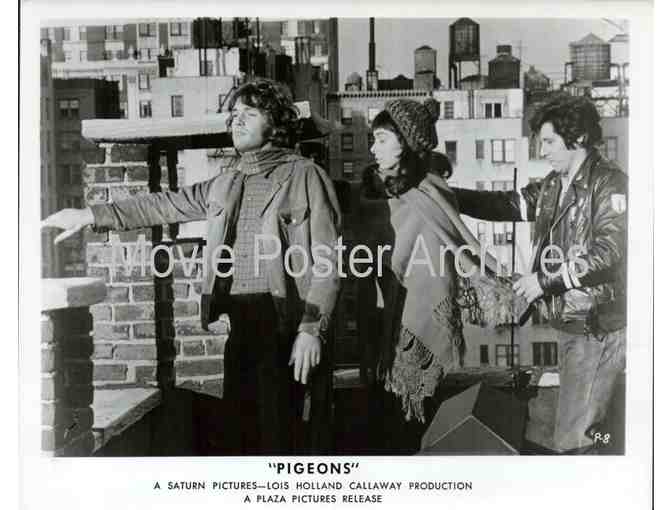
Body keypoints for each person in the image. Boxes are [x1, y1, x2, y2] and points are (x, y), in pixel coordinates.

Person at [41, 78, 342, 455]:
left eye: (250, 113)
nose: (237, 121)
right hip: (241, 326)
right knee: (243, 439)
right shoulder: (225, 183)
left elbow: (328, 263)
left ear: (275, 123)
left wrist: (311, 330)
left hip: (285, 323)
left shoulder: (305, 176)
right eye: (234, 114)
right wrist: (89, 215)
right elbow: (163, 204)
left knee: (285, 437)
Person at [452, 94, 627, 454]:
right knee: (555, 431)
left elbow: (609, 253)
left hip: (595, 329)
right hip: (569, 326)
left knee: (577, 439)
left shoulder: (609, 183)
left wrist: (543, 282)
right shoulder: (553, 184)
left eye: (548, 142)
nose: (542, 150)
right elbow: (505, 204)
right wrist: (445, 195)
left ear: (578, 138)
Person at [355, 98, 524, 453]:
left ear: (406, 143)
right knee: (377, 413)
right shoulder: (370, 194)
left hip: (416, 315)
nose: (373, 148)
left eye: (382, 139)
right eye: (374, 139)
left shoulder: (430, 191)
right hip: (376, 308)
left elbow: (455, 245)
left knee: (412, 417)